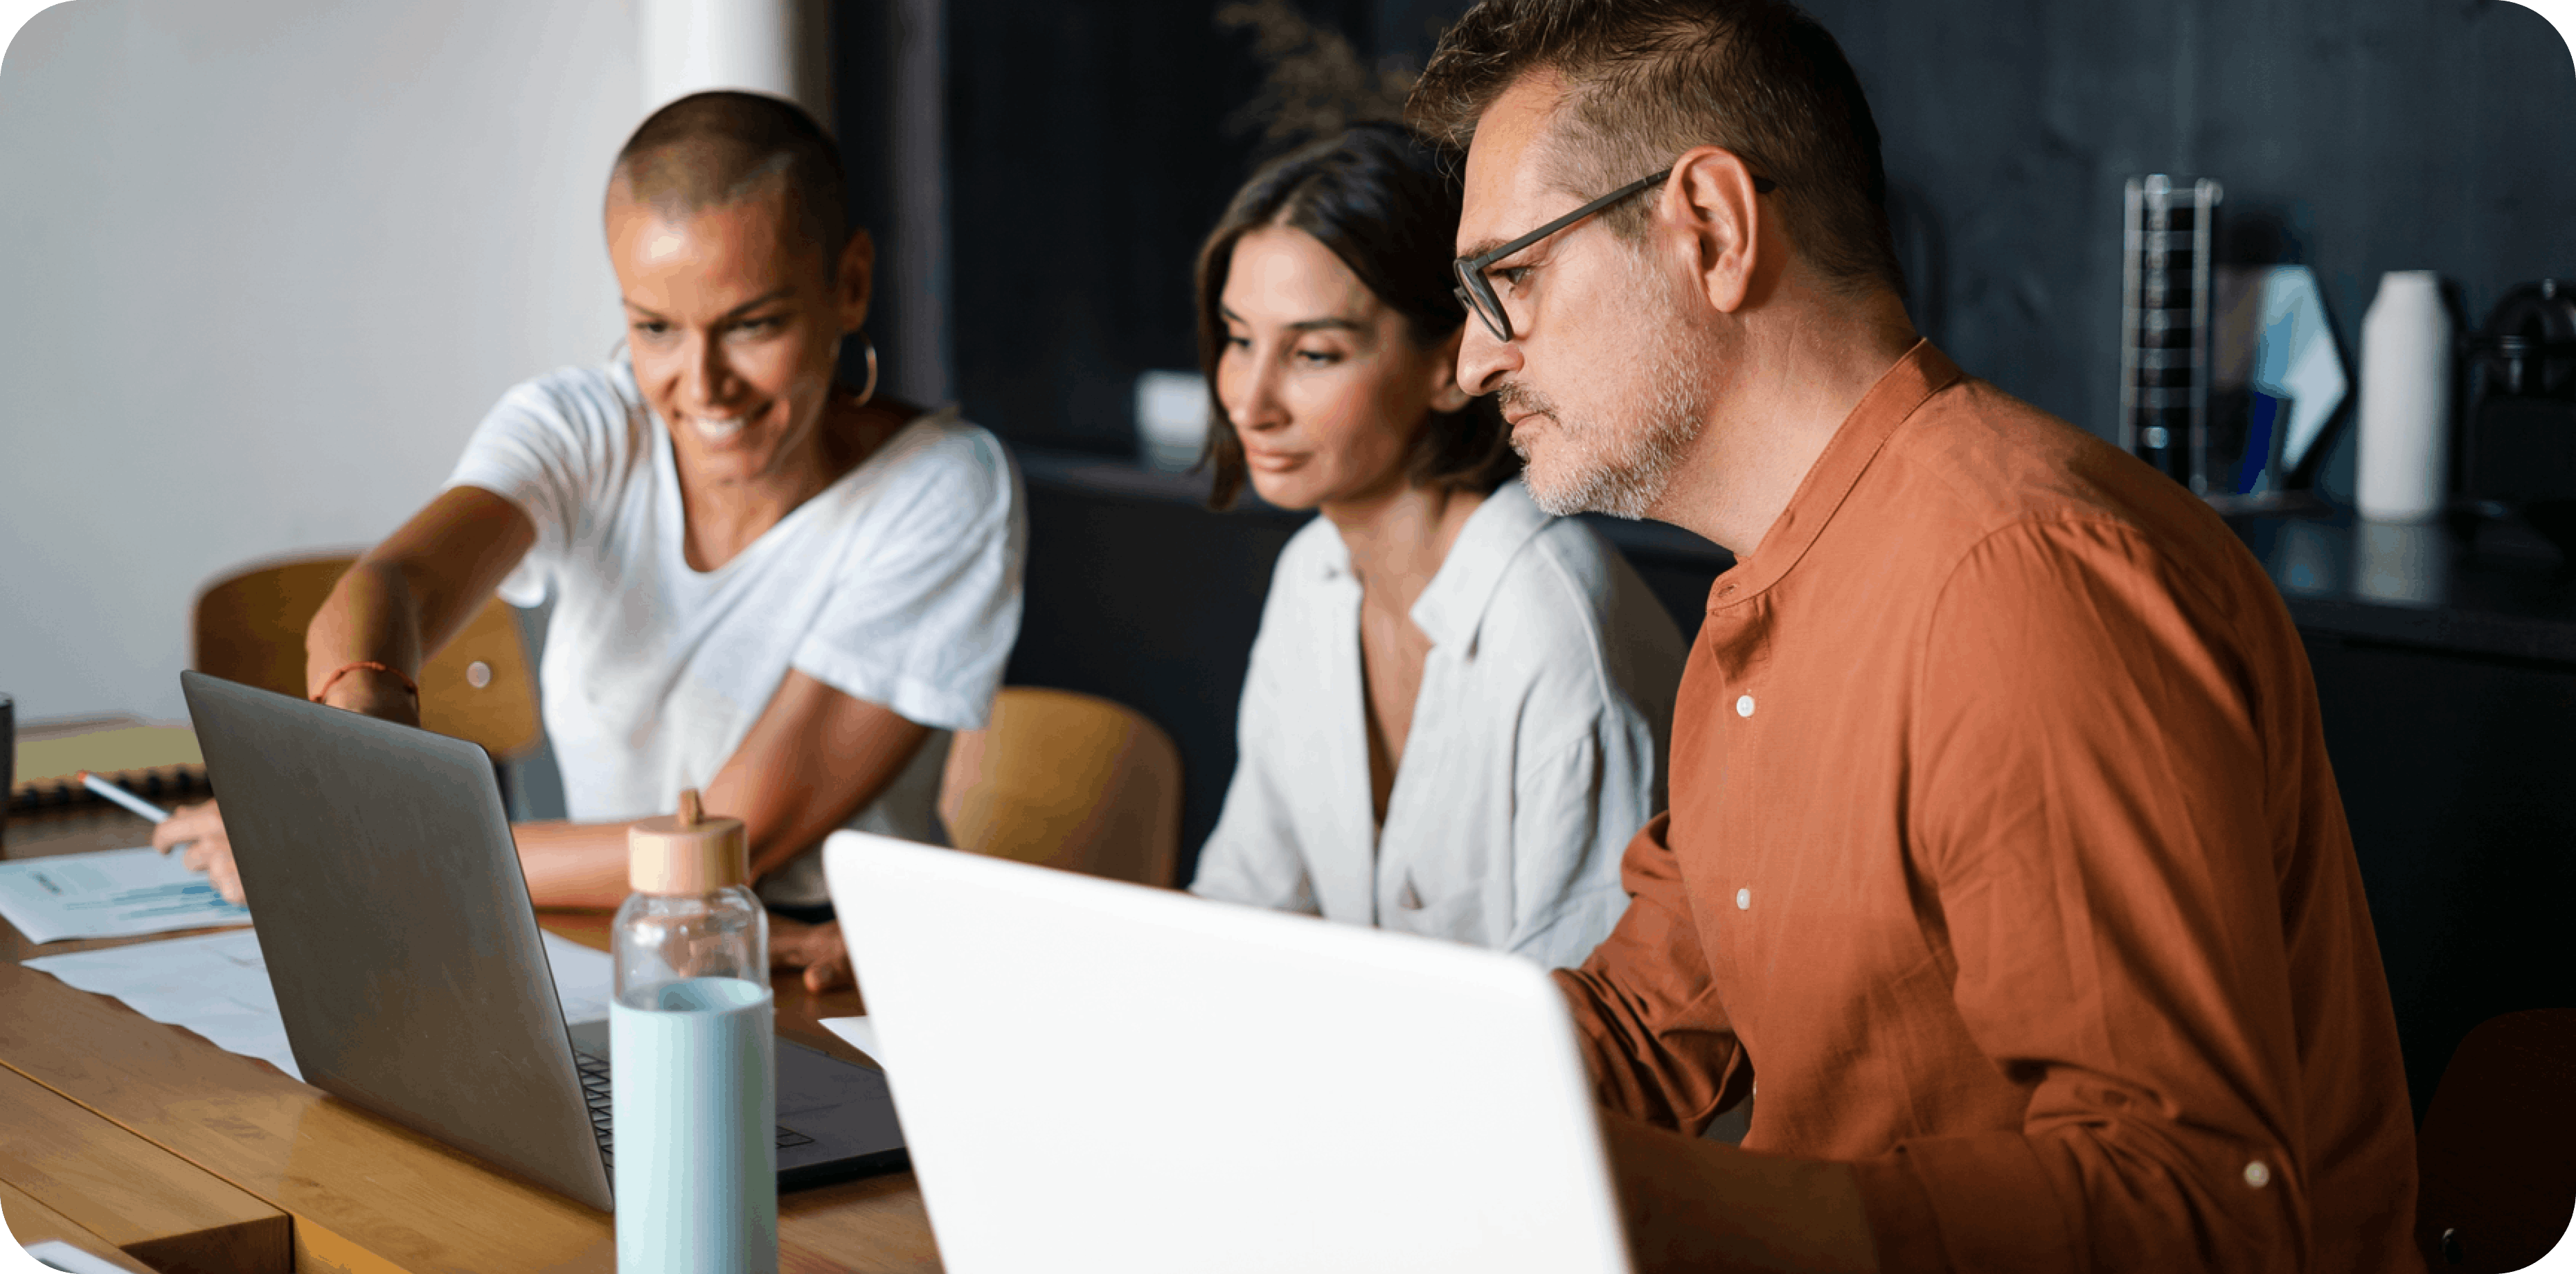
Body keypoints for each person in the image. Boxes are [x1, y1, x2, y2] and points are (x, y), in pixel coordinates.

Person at [1407, 1, 2417, 1270]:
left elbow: (2194, 1206)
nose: (1470, 361)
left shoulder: (2020, 580)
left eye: (1510, 279)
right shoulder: (1767, 600)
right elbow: (1639, 1024)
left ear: (1709, 230)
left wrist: (1680, 1216)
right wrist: (1346, 1093)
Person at [153, 91, 1024, 995]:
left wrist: (362, 846)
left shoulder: (945, 488)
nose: (704, 387)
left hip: (824, 984)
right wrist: (364, 745)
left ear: (849, 285)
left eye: (753, 324)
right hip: (613, 950)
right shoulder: (583, 424)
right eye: (655, 327)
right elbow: (393, 588)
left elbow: (728, 840)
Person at [1185, 123, 1688, 969]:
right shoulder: (1310, 577)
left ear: (1450, 360)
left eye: (1313, 353)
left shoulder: (1553, 627)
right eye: (1239, 340)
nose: (1251, 401)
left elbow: (1596, 1034)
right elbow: (1246, 902)